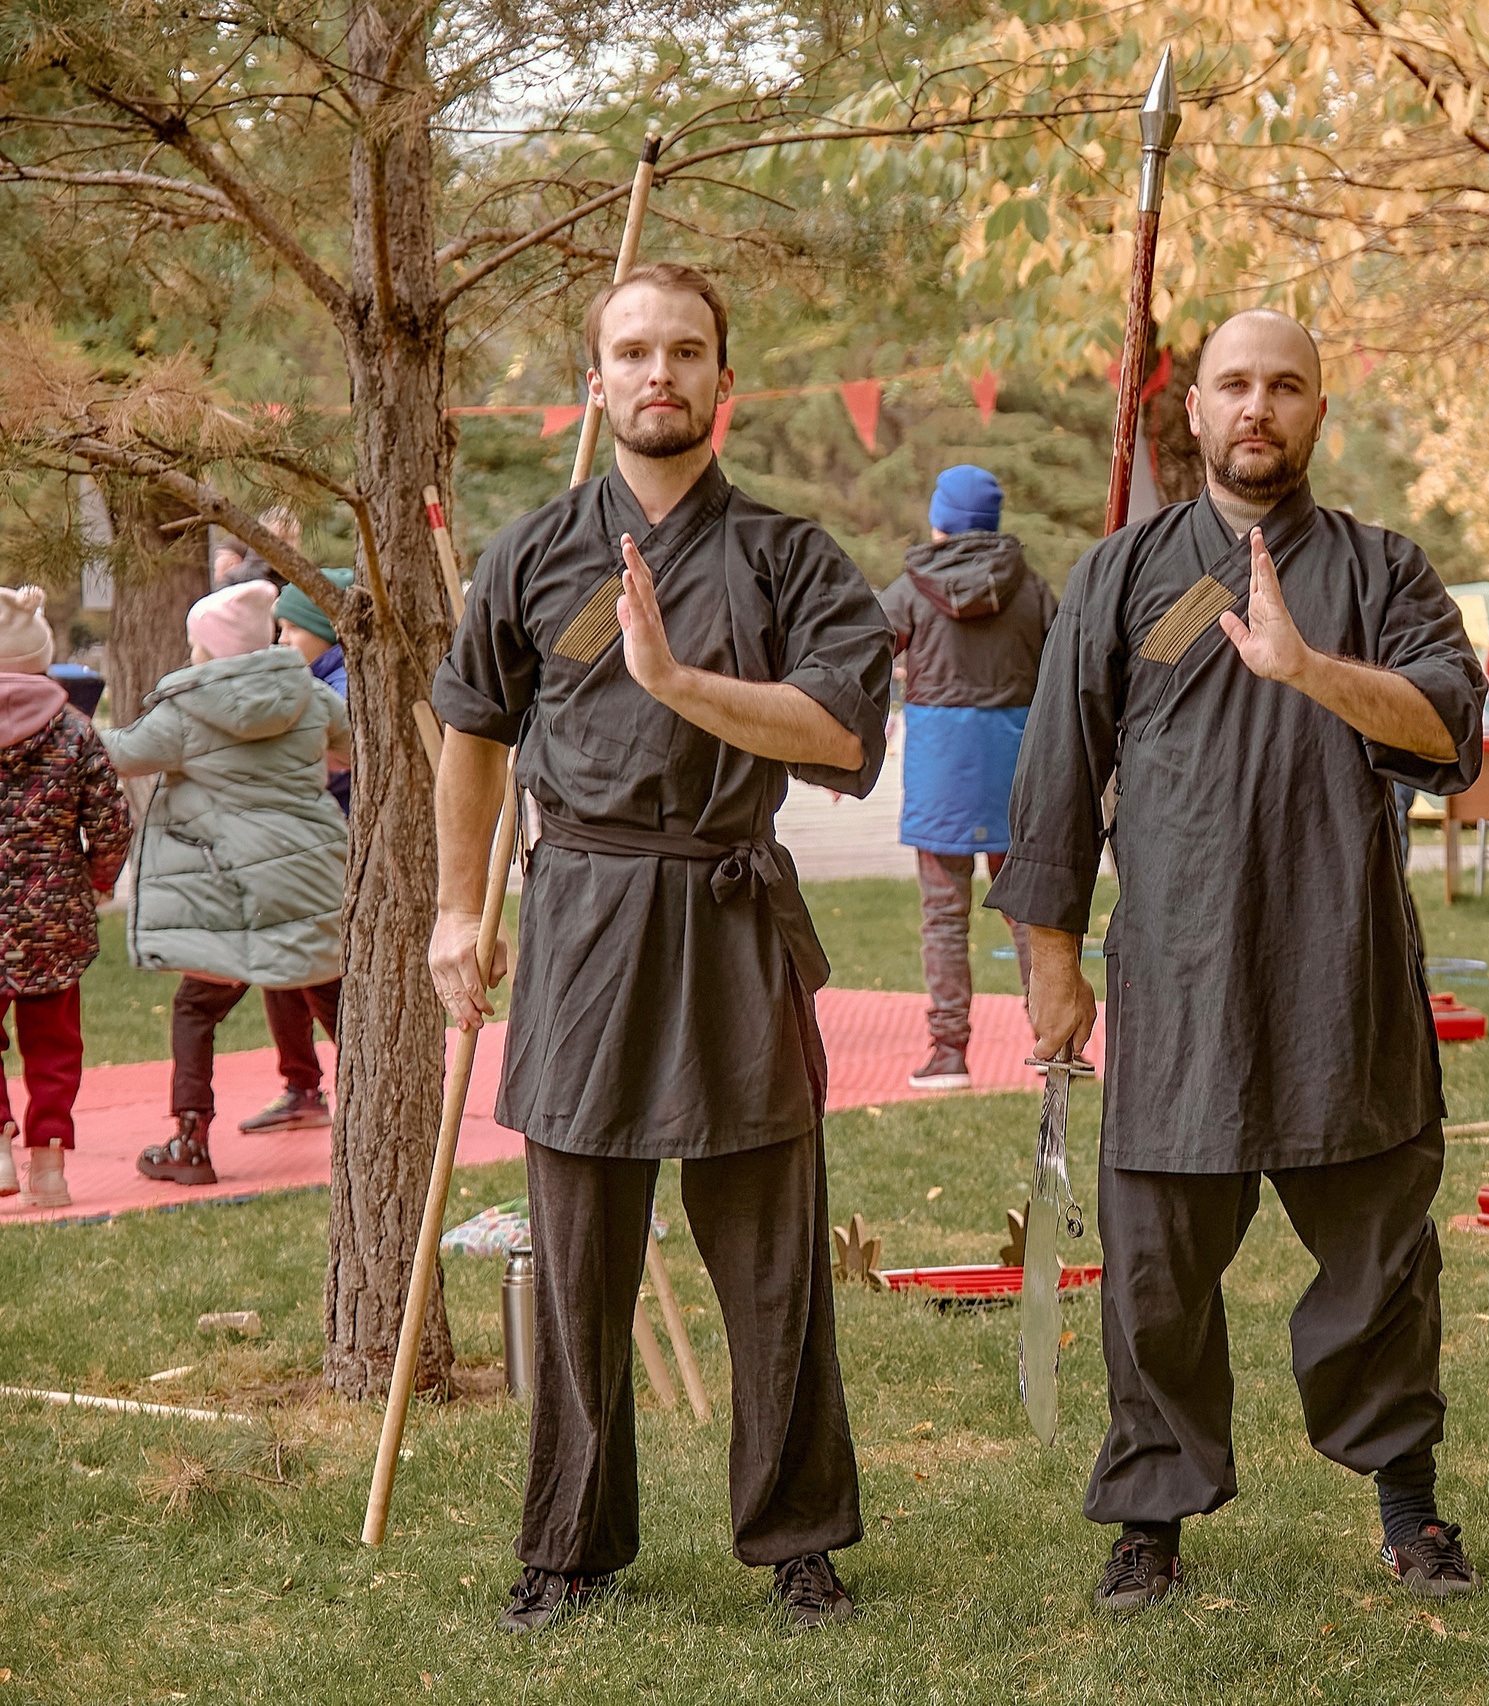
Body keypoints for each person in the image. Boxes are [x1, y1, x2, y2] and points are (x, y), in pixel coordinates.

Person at [990, 309, 1488, 1614]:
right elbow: (1053, 779)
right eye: (1233, 385)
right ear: (1195, 411)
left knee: (1381, 1260)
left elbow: (1447, 729)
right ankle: (1150, 1513)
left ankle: (1405, 1503)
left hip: (1345, 968)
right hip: (1180, 975)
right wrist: (1051, 957)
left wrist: (1310, 667)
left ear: (1321, 411)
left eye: (1285, 386)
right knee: (1156, 1271)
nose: (1257, 406)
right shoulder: (1119, 575)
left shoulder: (1386, 573)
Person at [430, 261, 893, 1636]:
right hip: (581, 917)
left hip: (732, 908)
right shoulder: (531, 553)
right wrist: (461, 907)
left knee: (771, 1257)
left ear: (722, 383)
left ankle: (798, 1535)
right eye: (632, 351)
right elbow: (470, 730)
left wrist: (684, 684)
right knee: (578, 1252)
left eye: (685, 351)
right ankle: (568, 1542)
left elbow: (843, 735)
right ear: (597, 382)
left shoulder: (792, 557)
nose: (658, 373)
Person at [103, 579, 350, 1188]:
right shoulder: (312, 697)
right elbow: (352, 748)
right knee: (334, 998)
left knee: (197, 1006)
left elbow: (121, 754)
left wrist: (65, 722)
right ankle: (385, 1115)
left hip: (228, 885)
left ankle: (191, 1142)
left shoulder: (186, 711)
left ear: (209, 651)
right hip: (309, 875)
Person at [877, 465, 1052, 1089]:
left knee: (944, 916)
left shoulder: (910, 590)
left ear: (940, 520)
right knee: (1029, 914)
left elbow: (862, 655)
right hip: (1015, 775)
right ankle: (1053, 1041)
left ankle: (949, 1053)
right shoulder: (1031, 591)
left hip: (942, 772)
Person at [0, 586, 132, 1210]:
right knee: (53, 1042)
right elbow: (110, 820)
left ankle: (0, 1150)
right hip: (54, 915)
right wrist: (100, 879)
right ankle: (49, 1163)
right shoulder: (75, 732)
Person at [227, 567, 358, 1135]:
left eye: (288, 630)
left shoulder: (340, 689)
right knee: (285, 965)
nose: (279, 642)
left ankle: (358, 1073)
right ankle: (303, 1085)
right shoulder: (312, 685)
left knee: (315, 971)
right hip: (302, 852)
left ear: (326, 630)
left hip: (334, 852)